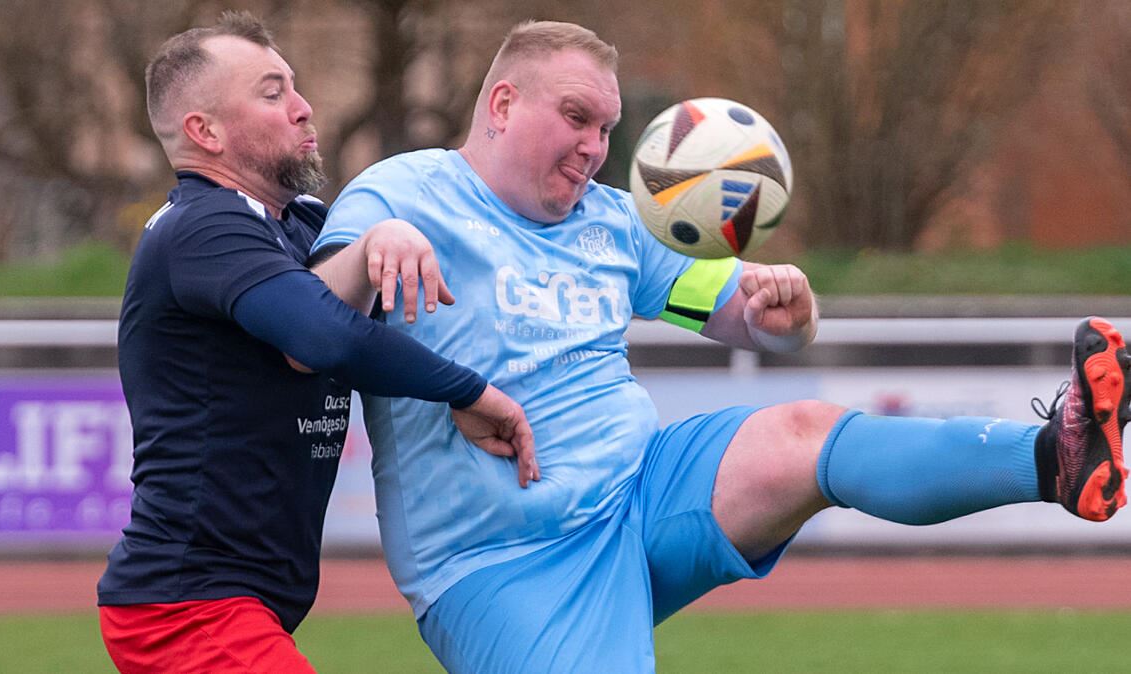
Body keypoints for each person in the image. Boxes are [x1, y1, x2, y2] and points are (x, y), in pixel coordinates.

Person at [311, 20, 1130, 673]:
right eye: (575, 118)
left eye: (606, 127)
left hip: (643, 494)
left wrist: (789, 307)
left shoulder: (612, 220)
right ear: (500, 105)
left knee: (801, 436)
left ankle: (1051, 460)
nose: (597, 147)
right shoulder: (401, 192)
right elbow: (306, 319)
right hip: (501, 559)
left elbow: (752, 319)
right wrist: (371, 247)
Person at [95, 11, 536, 674]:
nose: (304, 109)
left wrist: (380, 241)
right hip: (185, 607)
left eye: (295, 88)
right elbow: (323, 334)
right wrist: (468, 392)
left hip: (239, 604)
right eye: (272, 93)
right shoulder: (202, 227)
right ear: (204, 132)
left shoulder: (299, 226)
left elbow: (374, 307)